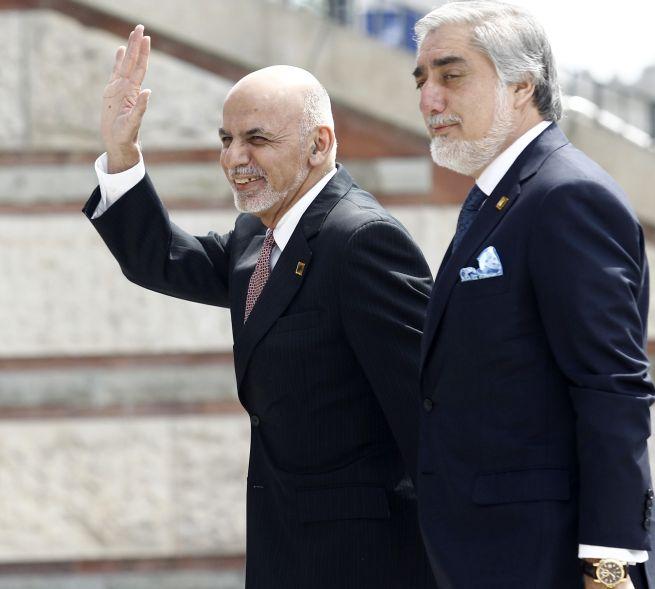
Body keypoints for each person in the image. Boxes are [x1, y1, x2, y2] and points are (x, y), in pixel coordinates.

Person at [83, 24, 436, 589]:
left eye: (257, 139)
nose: (235, 159)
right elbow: (165, 260)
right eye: (226, 139)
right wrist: (122, 153)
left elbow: (429, 416)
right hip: (287, 554)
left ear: (319, 144)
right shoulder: (258, 233)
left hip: (367, 562)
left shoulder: (362, 241)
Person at [412, 2, 655, 589]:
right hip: (490, 556)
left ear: (522, 84)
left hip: (552, 563)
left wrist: (609, 568)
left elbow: (613, 389)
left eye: (452, 75)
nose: (429, 99)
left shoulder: (566, 196)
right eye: (422, 80)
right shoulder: (499, 199)